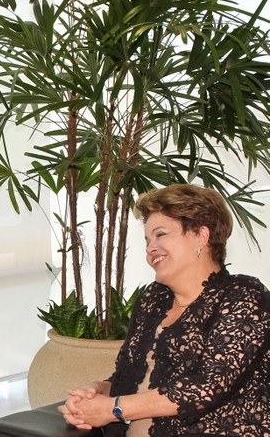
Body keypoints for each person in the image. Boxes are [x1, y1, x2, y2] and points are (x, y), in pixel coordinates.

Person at [58, 183, 270, 436]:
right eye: (148, 240)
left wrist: (112, 409)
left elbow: (203, 389)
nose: (150, 248)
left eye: (160, 235)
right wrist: (94, 393)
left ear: (201, 236)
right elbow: (128, 379)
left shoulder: (243, 295)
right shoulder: (153, 298)